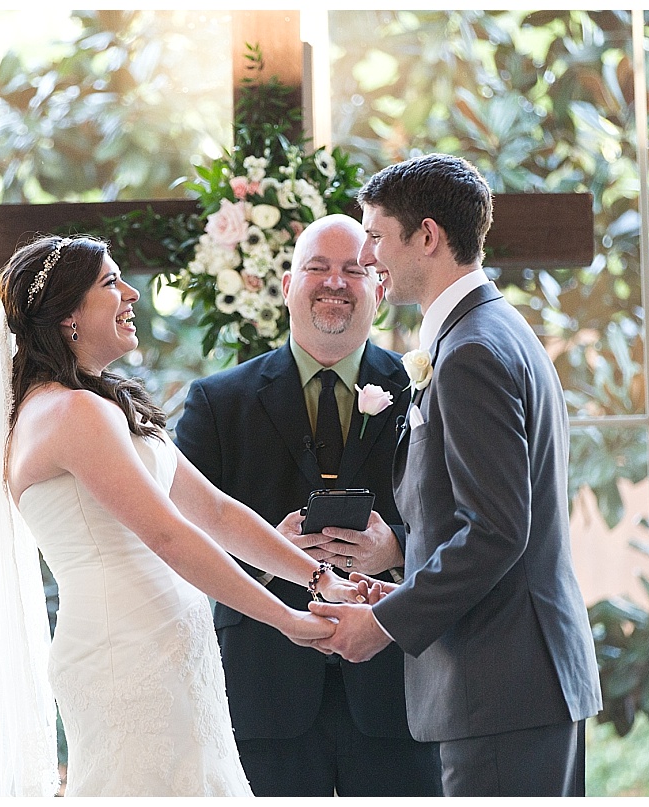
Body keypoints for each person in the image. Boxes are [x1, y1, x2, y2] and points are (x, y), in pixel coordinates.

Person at [0, 233, 361, 797]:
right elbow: (168, 535)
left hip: (169, 648)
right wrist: (287, 620)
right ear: (67, 317)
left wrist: (324, 580)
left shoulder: (96, 403)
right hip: (125, 655)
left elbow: (217, 513)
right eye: (110, 283)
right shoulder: (70, 412)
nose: (131, 292)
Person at [308, 154, 603, 796]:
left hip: (501, 690)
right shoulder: (494, 331)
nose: (368, 256)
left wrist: (386, 623)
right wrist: (402, 584)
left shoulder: (471, 353)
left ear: (430, 237)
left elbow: (496, 531)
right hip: (517, 687)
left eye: (379, 236)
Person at [175, 214, 443, 796]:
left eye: (353, 269)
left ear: (378, 286)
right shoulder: (217, 404)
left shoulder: (424, 390)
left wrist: (395, 546)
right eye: (317, 268)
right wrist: (267, 554)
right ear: (287, 285)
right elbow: (178, 541)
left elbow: (462, 521)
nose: (335, 282)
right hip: (261, 700)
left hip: (396, 697)